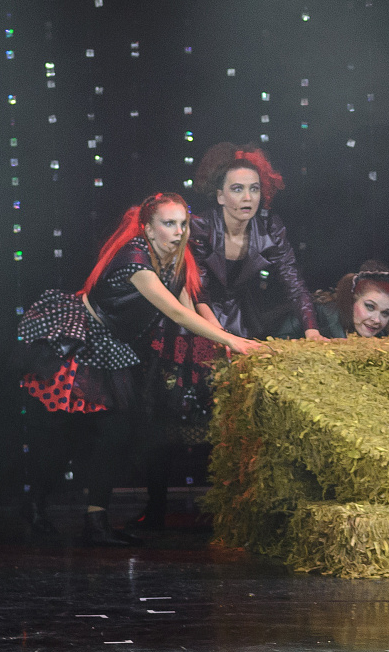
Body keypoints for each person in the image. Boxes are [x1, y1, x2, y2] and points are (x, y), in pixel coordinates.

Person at [16, 193, 263, 546]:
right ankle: (36, 505)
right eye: (169, 224)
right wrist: (233, 341)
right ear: (147, 228)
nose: (179, 231)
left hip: (114, 346)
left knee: (116, 433)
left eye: (183, 224)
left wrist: (224, 339)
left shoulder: (176, 259)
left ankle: (95, 520)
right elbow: (175, 313)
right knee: (68, 435)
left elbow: (190, 306)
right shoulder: (135, 261)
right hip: (83, 340)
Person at [189, 142, 321, 341]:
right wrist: (220, 336)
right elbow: (199, 293)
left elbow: (293, 282)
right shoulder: (200, 228)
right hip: (198, 319)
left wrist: (312, 330)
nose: (248, 197)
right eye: (237, 189)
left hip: (245, 319)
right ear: (220, 196)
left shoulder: (270, 228)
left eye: (254, 189)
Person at [314, 261, 389, 339]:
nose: (377, 320)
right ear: (352, 301)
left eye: (385, 313)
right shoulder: (323, 319)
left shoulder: (383, 338)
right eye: (370, 307)